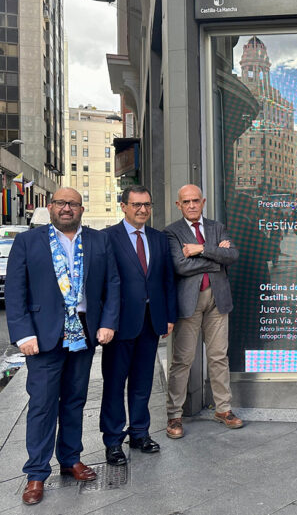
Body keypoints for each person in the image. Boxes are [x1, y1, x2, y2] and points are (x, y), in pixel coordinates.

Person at [5, 188, 120, 505]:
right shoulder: (28, 242)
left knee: (74, 400)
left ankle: (70, 459)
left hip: (83, 331)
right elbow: (15, 292)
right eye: (60, 203)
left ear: (82, 208)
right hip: (42, 336)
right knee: (42, 405)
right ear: (50, 207)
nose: (66, 208)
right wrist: (23, 334)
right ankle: (36, 473)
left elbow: (112, 283)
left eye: (73, 203)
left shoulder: (99, 241)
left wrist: (108, 322)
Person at [101, 186, 177, 466]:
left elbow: (167, 279)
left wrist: (169, 315)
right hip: (119, 324)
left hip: (151, 321)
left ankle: (140, 432)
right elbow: (101, 282)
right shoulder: (108, 237)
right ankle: (112, 441)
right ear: (123, 206)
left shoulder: (158, 239)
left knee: (143, 383)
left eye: (147, 204)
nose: (142, 210)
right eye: (136, 205)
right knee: (114, 384)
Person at [164, 184, 242, 438]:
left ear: (203, 201)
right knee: (182, 360)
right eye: (186, 202)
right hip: (189, 302)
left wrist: (200, 250)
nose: (191, 205)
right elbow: (180, 266)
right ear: (179, 205)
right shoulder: (172, 233)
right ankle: (174, 415)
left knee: (219, 356)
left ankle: (223, 409)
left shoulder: (216, 227)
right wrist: (215, 257)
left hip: (218, 299)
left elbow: (231, 255)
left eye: (195, 200)